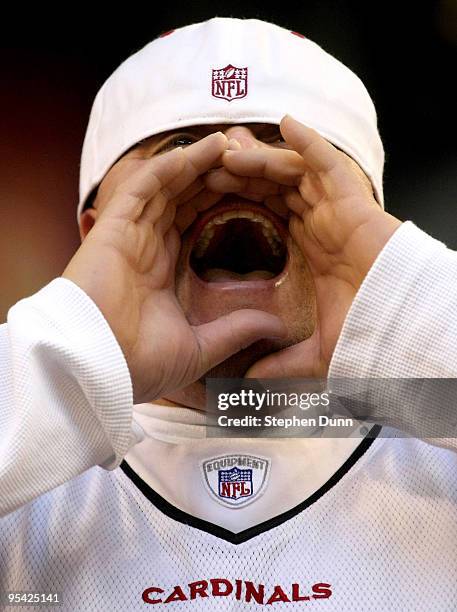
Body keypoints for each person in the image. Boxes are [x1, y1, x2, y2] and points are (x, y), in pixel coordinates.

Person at [1, 16, 456, 611]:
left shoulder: (438, 439)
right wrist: (67, 356)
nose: (238, 168)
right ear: (93, 235)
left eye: (285, 150)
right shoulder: (25, 473)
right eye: (182, 152)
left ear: (372, 227)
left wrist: (406, 309)